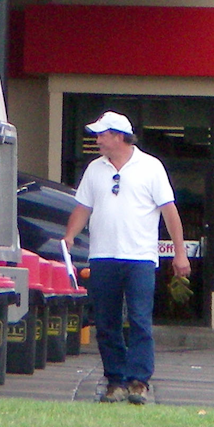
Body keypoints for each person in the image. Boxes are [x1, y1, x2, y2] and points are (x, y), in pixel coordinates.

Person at [63, 111, 190, 405]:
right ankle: (115, 380)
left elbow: (170, 212)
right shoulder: (95, 169)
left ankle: (138, 381)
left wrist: (180, 252)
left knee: (139, 320)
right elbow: (83, 207)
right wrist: (70, 235)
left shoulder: (150, 167)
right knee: (106, 322)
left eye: (102, 135)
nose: (97, 140)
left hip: (140, 258)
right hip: (103, 256)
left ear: (119, 136)